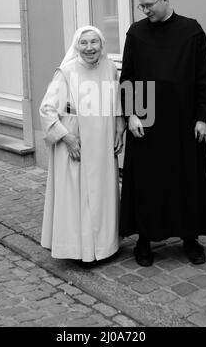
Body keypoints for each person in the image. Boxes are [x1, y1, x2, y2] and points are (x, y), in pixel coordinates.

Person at [119, 0, 206, 266]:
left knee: (186, 180)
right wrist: (132, 114)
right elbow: (127, 77)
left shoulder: (191, 30)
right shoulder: (136, 33)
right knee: (148, 183)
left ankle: (191, 238)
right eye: (141, 5)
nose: (144, 10)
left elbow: (204, 77)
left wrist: (203, 117)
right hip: (147, 118)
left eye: (148, 5)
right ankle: (145, 241)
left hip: (184, 119)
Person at [40, 25, 125, 262]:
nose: (89, 48)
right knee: (79, 196)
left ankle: (105, 247)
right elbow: (46, 110)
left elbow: (116, 100)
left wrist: (119, 127)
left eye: (94, 42)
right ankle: (79, 250)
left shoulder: (110, 68)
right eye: (84, 43)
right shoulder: (65, 72)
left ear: (102, 45)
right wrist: (66, 137)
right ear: (77, 46)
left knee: (102, 194)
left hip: (103, 140)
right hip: (75, 141)